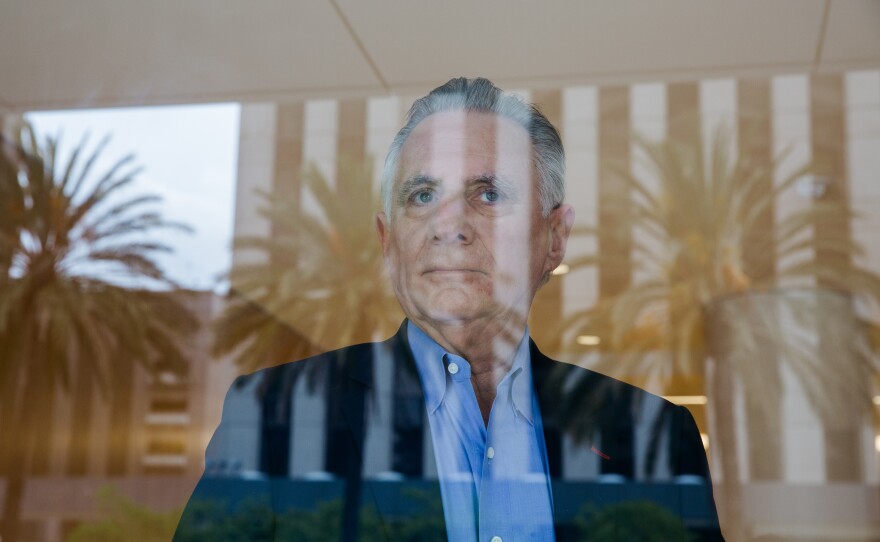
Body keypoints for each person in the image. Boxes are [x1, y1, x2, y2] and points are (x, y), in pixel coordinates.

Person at [174, 77, 724, 541]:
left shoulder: (658, 438)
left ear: (554, 238)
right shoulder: (274, 417)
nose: (449, 225)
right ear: (388, 241)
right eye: (421, 196)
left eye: (488, 193)